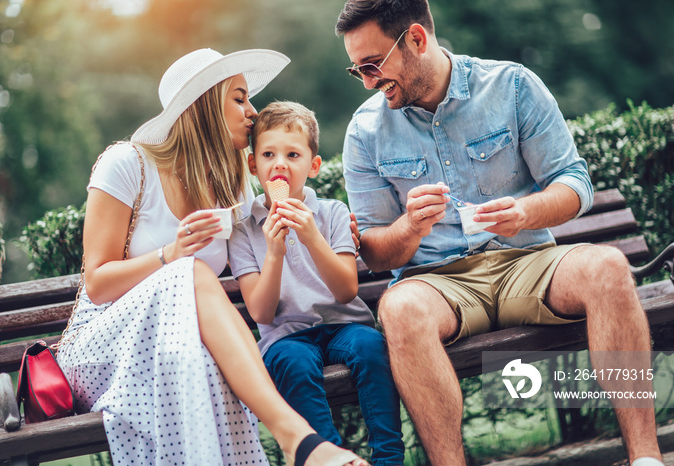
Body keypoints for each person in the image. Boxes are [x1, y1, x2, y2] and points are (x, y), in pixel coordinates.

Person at [334, 1, 663, 465]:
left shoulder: (511, 86)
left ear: (416, 39)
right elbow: (374, 253)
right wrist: (409, 226)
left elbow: (574, 182)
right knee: (400, 307)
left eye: (372, 65)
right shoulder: (364, 131)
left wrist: (525, 212)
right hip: (439, 284)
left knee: (608, 266)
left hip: (527, 263)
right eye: (357, 70)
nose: (367, 81)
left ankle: (646, 458)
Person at [56, 48, 369, 466]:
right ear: (203, 105)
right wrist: (171, 254)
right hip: (104, 349)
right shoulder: (126, 164)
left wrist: (338, 228)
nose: (252, 112)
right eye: (239, 98)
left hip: (179, 343)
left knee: (205, 362)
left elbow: (279, 223)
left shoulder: (233, 186)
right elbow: (97, 283)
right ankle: (298, 440)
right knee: (193, 273)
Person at [228, 101, 405, 466]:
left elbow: (345, 291)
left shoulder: (331, 214)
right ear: (252, 165)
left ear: (313, 165)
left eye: (293, 154)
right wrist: (273, 254)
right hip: (284, 335)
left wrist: (311, 237)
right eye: (268, 154)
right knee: (291, 362)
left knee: (372, 347)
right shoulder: (243, 231)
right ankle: (330, 457)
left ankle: (389, 459)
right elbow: (261, 312)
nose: (279, 163)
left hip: (344, 324)